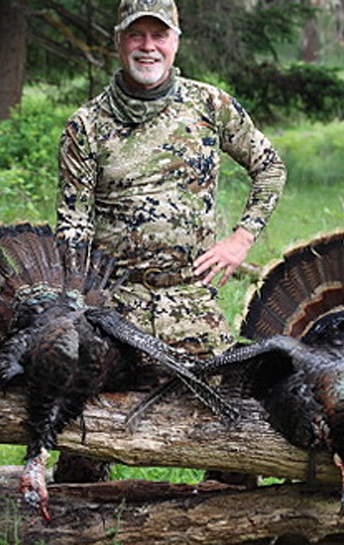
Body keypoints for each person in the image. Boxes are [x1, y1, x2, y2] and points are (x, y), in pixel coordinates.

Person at [55, 0, 287, 483]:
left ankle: (232, 522)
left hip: (190, 302)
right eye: (136, 35)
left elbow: (270, 167)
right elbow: (73, 223)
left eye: (158, 35)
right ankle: (85, 520)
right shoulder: (86, 125)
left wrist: (241, 240)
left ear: (175, 41)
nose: (147, 46)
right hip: (114, 306)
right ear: (119, 41)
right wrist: (78, 301)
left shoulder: (210, 105)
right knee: (80, 433)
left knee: (235, 425)